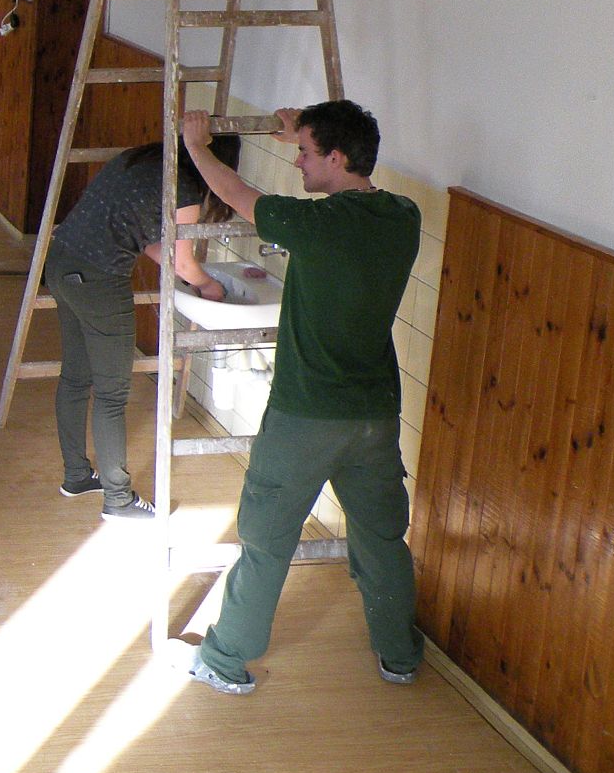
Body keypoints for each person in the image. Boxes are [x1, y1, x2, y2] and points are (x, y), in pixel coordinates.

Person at [178, 101, 423, 695]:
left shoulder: (313, 224)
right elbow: (334, 190)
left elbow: (235, 193)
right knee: (382, 538)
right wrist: (301, 132)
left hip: (305, 416)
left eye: (306, 153)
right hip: (373, 417)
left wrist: (197, 147)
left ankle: (225, 658)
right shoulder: (403, 216)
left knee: (265, 541)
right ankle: (399, 655)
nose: (297, 161)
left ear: (336, 157)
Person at [45, 134, 241, 518]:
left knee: (75, 378)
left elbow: (151, 245)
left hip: (62, 263)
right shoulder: (184, 186)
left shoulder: (139, 160)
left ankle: (77, 476)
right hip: (98, 279)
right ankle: (118, 500)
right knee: (112, 394)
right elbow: (182, 261)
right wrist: (206, 283)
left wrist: (189, 275)